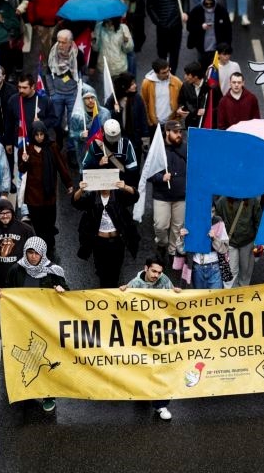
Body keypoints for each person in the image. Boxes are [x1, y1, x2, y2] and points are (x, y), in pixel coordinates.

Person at [0, 236, 68, 412]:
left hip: (46, 324)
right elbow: (8, 296)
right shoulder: (16, 270)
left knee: (47, 358)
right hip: (22, 324)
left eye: (37, 253)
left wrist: (62, 291)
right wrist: (0, 297)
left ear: (43, 253)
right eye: (30, 252)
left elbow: (68, 297)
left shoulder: (54, 272)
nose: (33, 256)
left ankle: (48, 395)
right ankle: (24, 391)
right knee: (25, 360)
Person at [119, 257, 179, 420]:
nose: (156, 275)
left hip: (160, 334)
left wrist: (178, 294)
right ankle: (143, 391)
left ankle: (161, 405)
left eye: (159, 272)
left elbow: (173, 300)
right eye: (153, 271)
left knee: (162, 367)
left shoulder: (164, 280)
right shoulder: (135, 284)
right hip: (141, 335)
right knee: (144, 367)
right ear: (146, 268)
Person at [18, 121, 74, 259]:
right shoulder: (27, 149)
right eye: (36, 135)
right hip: (33, 196)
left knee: (49, 223)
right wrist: (24, 160)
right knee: (38, 225)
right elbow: (21, 169)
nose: (39, 137)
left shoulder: (52, 147)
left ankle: (50, 246)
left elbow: (61, 165)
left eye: (41, 134)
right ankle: (43, 249)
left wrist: (69, 183)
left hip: (49, 195)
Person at [73, 179, 140, 288]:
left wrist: (125, 186)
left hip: (117, 242)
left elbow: (135, 197)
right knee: (102, 272)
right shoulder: (91, 197)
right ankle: (105, 292)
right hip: (99, 242)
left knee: (115, 271)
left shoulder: (119, 195)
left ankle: (112, 293)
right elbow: (76, 202)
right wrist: (80, 190)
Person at [148, 120, 187, 262]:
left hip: (181, 196)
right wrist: (161, 177)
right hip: (162, 196)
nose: (179, 135)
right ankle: (162, 244)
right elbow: (148, 173)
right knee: (160, 225)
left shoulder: (186, 148)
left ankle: (172, 251)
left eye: (180, 132)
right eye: (176, 132)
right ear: (167, 132)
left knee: (177, 227)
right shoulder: (157, 149)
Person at [0, 199, 35, 295]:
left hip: (21, 280)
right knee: (4, 309)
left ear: (12, 212)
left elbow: (36, 254)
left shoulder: (26, 230)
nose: (5, 216)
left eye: (7, 212)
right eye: (1, 213)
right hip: (0, 282)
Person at [145, 0, 190, 73]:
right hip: (162, 28)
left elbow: (185, 0)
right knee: (162, 53)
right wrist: (158, 22)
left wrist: (185, 12)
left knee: (175, 53)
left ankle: (172, 74)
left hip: (176, 26)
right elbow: (150, 8)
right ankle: (163, 73)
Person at [4, 73, 59, 157]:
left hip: (39, 144)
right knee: (21, 169)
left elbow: (53, 119)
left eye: (24, 87)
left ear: (32, 86)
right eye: (19, 87)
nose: (21, 90)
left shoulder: (44, 100)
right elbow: (9, 122)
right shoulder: (13, 100)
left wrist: (41, 123)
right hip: (20, 143)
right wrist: (8, 142)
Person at [27, 0, 70, 67]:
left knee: (58, 46)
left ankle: (57, 65)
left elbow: (65, 1)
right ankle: (48, 66)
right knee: (45, 48)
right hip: (41, 25)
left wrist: (63, 19)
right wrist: (33, 22)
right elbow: (31, 3)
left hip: (56, 23)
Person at [214, 196, 262, 288]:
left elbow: (258, 220)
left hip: (244, 241)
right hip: (236, 241)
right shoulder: (222, 201)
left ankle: (235, 294)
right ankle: (239, 294)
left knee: (240, 271)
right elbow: (258, 221)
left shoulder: (251, 200)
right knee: (242, 272)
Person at [179, 204, 229, 289]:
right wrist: (181, 238)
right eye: (207, 211)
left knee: (214, 299)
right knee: (200, 299)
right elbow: (181, 250)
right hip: (197, 267)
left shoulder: (218, 222)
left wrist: (214, 238)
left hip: (214, 267)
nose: (210, 215)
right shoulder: (191, 221)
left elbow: (224, 249)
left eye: (213, 212)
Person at [82, 119, 139, 187]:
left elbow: (133, 168)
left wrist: (126, 185)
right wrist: (98, 163)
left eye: (115, 137)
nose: (113, 141)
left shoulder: (126, 144)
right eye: (110, 137)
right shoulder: (94, 144)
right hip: (100, 185)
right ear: (103, 132)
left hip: (119, 185)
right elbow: (85, 166)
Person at [105, 73, 149, 161]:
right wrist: (115, 111)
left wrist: (145, 141)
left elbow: (143, 121)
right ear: (124, 87)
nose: (135, 86)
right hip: (118, 141)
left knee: (135, 165)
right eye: (131, 84)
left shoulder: (137, 99)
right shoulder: (113, 99)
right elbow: (105, 117)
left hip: (135, 141)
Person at [69, 84, 112, 173]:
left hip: (101, 149)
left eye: (92, 97)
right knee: (86, 173)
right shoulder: (77, 116)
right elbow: (72, 133)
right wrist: (81, 134)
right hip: (84, 150)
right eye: (87, 98)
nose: (90, 100)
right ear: (82, 100)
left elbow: (110, 130)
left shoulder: (105, 113)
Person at [186, 0, 232, 70]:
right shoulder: (196, 11)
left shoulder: (222, 11)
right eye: (206, 4)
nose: (209, 5)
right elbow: (189, 27)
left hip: (217, 49)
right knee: (202, 70)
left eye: (211, 4)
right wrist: (201, 27)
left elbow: (228, 30)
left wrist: (227, 47)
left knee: (216, 72)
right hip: (202, 48)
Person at [90, 18, 133, 89]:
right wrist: (94, 40)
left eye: (111, 20)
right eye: (107, 20)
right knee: (106, 95)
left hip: (119, 68)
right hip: (104, 68)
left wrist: (126, 42)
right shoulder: (99, 27)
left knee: (120, 92)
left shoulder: (123, 28)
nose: (109, 22)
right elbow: (96, 48)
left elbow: (129, 49)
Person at [141, 58, 182, 132]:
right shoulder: (146, 83)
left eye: (168, 71)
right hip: (155, 124)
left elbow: (182, 100)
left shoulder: (176, 82)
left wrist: (177, 118)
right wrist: (149, 121)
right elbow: (144, 103)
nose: (167, 74)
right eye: (163, 72)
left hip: (171, 122)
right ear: (156, 73)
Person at [177, 61, 213, 129]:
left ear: (196, 77)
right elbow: (181, 101)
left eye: (188, 75)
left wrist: (207, 111)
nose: (185, 77)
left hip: (205, 124)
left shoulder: (210, 87)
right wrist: (180, 108)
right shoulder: (185, 86)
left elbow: (217, 106)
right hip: (190, 124)